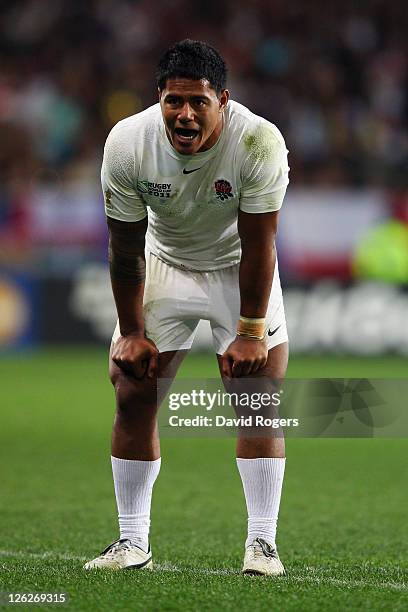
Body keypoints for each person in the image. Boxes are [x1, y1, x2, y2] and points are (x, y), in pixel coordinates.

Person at [84, 39, 289, 576]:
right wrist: (131, 330)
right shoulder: (127, 143)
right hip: (164, 262)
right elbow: (125, 247)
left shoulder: (259, 142)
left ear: (222, 99)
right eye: (174, 101)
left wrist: (250, 330)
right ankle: (132, 544)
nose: (185, 113)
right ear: (159, 99)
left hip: (236, 265)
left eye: (199, 101)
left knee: (258, 393)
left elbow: (260, 243)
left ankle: (262, 544)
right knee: (132, 388)